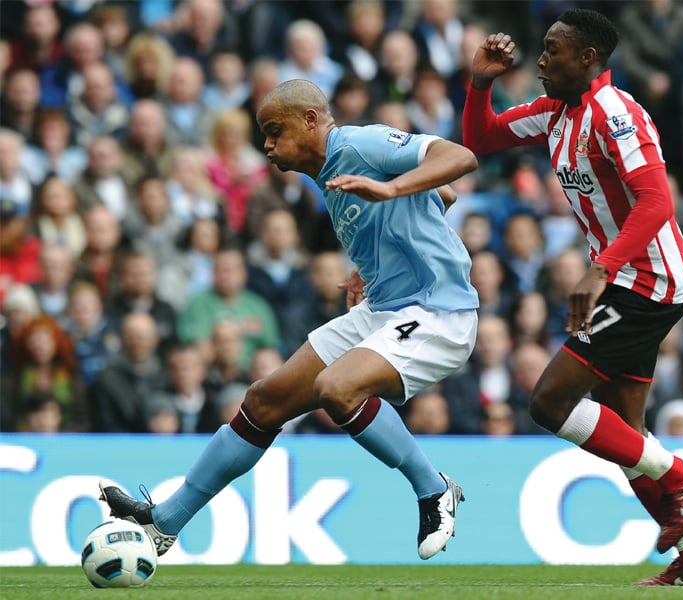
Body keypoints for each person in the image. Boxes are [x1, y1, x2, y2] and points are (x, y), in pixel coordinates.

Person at [100, 78, 479, 561]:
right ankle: (163, 524)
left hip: (438, 311)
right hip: (383, 306)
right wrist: (375, 263)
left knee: (336, 389)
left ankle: (433, 489)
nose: (267, 145)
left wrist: (391, 189)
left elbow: (460, 159)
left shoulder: (359, 144)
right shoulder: (328, 172)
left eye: (275, 130)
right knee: (263, 401)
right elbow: (441, 195)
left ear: (311, 120)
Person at [463, 9, 683, 586]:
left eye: (553, 49)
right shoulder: (556, 112)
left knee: (548, 403)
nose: (540, 58)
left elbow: (657, 201)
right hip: (627, 278)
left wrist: (599, 270)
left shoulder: (617, 114)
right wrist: (480, 83)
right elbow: (480, 138)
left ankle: (681, 472)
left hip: (648, 281)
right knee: (622, 431)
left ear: (587, 58)